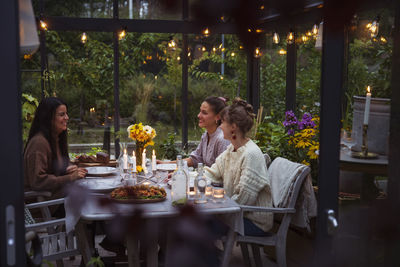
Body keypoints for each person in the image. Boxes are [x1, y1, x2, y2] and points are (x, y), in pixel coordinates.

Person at [204, 98, 273, 235]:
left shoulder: (250, 154)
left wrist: (215, 206)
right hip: (235, 213)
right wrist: (185, 176)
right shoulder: (232, 149)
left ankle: (210, 257)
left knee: (198, 226)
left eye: (222, 122)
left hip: (253, 221)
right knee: (195, 221)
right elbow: (212, 173)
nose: (220, 126)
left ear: (233, 127)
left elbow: (243, 199)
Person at [24, 97, 87, 199]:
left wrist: (65, 170)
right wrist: (70, 177)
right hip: (45, 205)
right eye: (62, 114)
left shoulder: (55, 138)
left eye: (66, 114)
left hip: (57, 197)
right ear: (48, 118)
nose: (67, 117)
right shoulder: (39, 143)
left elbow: (50, 171)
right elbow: (38, 181)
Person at [159, 96, 230, 168]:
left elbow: (223, 172)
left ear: (218, 117)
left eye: (204, 113)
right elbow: (195, 159)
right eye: (200, 111)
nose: (199, 115)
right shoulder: (206, 135)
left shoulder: (222, 139)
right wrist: (165, 164)